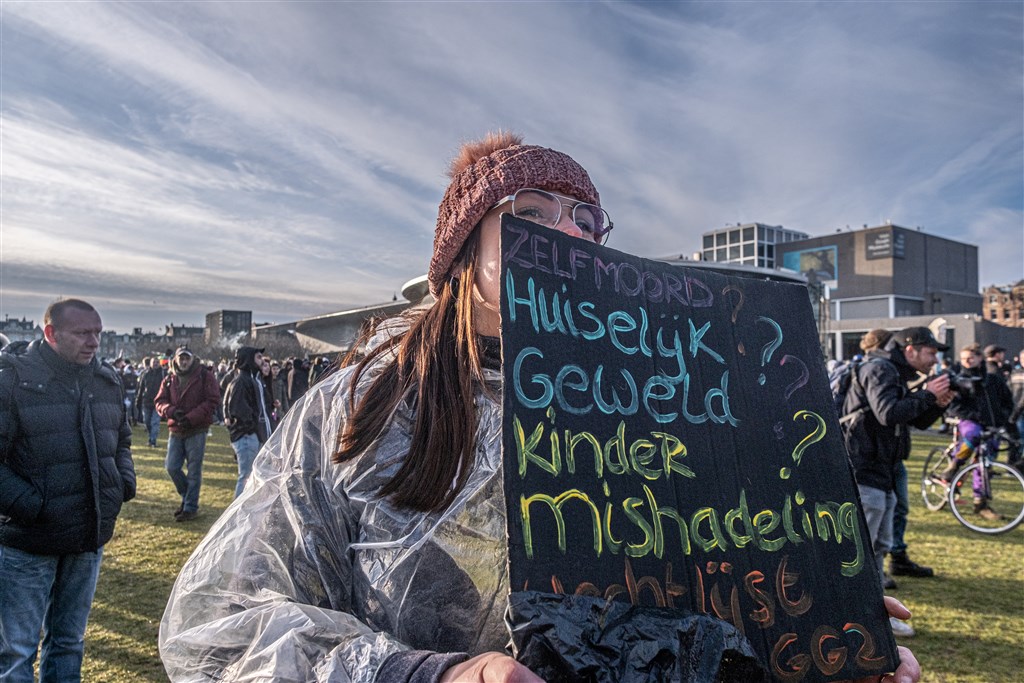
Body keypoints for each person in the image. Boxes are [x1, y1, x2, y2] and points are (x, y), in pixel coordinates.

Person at [160, 133, 922, 683]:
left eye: (588, 223)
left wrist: (817, 629)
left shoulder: (668, 402)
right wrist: (423, 674)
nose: (569, 233)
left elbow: (697, 607)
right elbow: (221, 629)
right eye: (533, 210)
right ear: (461, 258)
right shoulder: (357, 411)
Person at [0, 298, 136, 681]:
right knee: (16, 651)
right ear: (51, 334)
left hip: (86, 535)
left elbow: (121, 440)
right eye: (82, 333)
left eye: (98, 332)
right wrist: (29, 505)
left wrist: (122, 483)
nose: (94, 342)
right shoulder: (12, 381)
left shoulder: (105, 380)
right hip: (28, 541)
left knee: (69, 641)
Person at [842, 326, 953, 638]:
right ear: (910, 349)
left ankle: (876, 615)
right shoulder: (880, 369)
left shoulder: (893, 371)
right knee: (862, 549)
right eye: (931, 352)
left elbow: (910, 419)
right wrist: (928, 393)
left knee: (878, 546)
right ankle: (853, 615)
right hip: (866, 469)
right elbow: (888, 413)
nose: (935, 360)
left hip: (883, 470)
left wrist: (935, 404)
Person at [938, 344, 1015, 518]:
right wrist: (974, 416)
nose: (967, 361)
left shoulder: (993, 380)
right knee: (973, 435)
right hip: (970, 422)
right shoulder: (959, 381)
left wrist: (1002, 418)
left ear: (980, 358)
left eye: (971, 358)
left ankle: (980, 503)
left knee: (985, 463)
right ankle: (955, 464)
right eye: (964, 358)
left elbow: (1007, 401)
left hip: (992, 425)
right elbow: (954, 406)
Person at [154, 347, 221, 522]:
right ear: (175, 359)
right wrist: (171, 411)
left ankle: (190, 507)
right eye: (181, 358)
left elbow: (212, 400)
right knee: (172, 467)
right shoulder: (169, 378)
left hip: (196, 429)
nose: (184, 362)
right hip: (176, 428)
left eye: (186, 359)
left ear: (192, 359)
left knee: (193, 471)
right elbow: (160, 401)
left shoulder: (204, 375)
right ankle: (187, 497)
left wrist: (191, 418)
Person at [221, 346, 272, 497]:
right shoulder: (242, 381)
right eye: (257, 357)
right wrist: (253, 429)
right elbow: (239, 411)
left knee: (250, 477)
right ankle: (238, 516)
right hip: (247, 436)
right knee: (246, 477)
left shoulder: (252, 379)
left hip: (252, 435)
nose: (261, 360)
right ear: (249, 359)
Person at [136, 357, 166, 447]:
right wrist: (138, 399)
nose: (155, 364)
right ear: (151, 363)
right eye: (154, 362)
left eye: (157, 362)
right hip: (146, 401)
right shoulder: (145, 374)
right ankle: (150, 438)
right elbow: (141, 387)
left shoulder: (163, 374)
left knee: (155, 422)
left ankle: (153, 441)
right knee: (147, 422)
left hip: (158, 402)